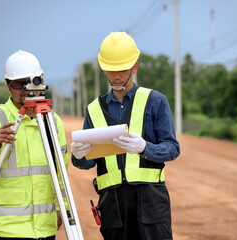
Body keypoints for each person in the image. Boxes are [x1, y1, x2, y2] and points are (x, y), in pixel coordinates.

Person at [71, 32, 180, 240]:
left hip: (150, 203)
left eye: (122, 69)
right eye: (111, 70)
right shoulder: (93, 109)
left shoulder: (155, 101)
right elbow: (87, 164)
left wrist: (145, 148)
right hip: (113, 207)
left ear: (135, 67)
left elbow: (173, 148)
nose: (116, 76)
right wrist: (79, 156)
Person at [0, 50, 68, 240]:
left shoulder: (52, 121)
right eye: (17, 84)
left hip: (44, 229)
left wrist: (64, 208)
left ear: (40, 80)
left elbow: (62, 171)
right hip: (6, 230)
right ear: (8, 86)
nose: (25, 89)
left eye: (29, 81)